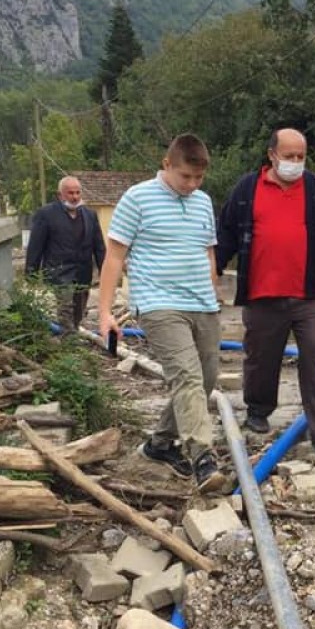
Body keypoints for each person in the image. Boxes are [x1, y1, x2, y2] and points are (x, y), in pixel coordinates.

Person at [216, 128, 315, 462]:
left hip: (314, 293)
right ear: (272, 155)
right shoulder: (247, 189)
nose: (295, 163)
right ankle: (259, 409)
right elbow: (227, 233)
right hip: (263, 295)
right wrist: (213, 271)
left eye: (300, 157)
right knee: (261, 357)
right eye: (288, 156)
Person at [97, 134, 225, 491]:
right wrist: (104, 312)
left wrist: (214, 290)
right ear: (167, 164)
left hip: (202, 303)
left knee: (207, 377)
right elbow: (114, 257)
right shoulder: (137, 198)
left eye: (199, 178)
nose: (192, 184)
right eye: (186, 176)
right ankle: (203, 458)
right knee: (186, 376)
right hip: (158, 304)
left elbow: (208, 253)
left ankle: (159, 444)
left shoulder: (202, 202)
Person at [25, 175, 106, 333]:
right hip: (59, 271)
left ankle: (72, 334)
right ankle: (68, 340)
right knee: (66, 307)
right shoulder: (46, 214)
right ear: (60, 194)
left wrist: (105, 270)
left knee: (79, 308)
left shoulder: (90, 215)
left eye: (77, 193)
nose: (75, 197)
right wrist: (31, 272)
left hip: (83, 271)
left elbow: (99, 246)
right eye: (70, 193)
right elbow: (35, 245)